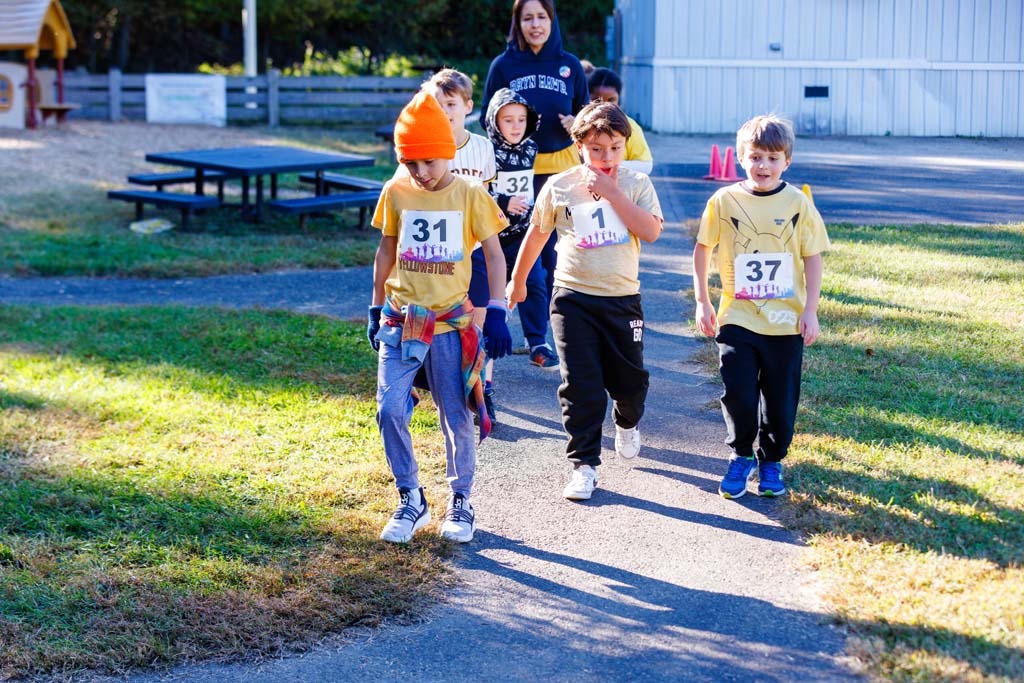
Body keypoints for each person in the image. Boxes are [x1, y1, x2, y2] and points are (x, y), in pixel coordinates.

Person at [367, 91, 512, 544]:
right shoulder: (396, 191)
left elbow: (494, 255)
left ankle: (462, 499)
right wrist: (375, 307)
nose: (421, 172)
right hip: (401, 321)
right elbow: (386, 250)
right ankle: (410, 496)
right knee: (389, 409)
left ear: (447, 152)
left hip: (451, 324)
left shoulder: (470, 195)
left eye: (429, 162)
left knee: (456, 414)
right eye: (411, 163)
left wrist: (499, 310)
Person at [507, 101, 663, 501]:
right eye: (596, 149)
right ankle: (584, 465)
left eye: (613, 147)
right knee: (579, 383)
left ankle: (626, 423)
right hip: (572, 296)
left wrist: (611, 193)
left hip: (621, 298)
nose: (605, 157)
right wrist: (518, 281)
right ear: (580, 147)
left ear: (625, 146)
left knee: (628, 384)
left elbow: (650, 232)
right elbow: (538, 234)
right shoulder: (560, 186)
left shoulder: (635, 185)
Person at [692, 114, 830, 499]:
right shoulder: (724, 200)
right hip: (737, 316)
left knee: (781, 399)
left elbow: (813, 257)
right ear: (740, 158)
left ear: (787, 161)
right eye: (755, 157)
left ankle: (771, 461)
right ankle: (740, 456)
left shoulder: (798, 203)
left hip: (786, 322)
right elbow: (703, 249)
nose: (763, 166)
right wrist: (703, 301)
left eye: (772, 158)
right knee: (737, 391)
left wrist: (811, 309)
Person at [481, 0, 590, 313]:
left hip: (563, 167)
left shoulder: (568, 64)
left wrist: (576, 123)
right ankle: (521, 323)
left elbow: (586, 112)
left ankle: (559, 316)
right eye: (527, 18)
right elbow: (486, 118)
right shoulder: (503, 65)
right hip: (518, 173)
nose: (535, 24)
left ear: (552, 20)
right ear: (518, 23)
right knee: (525, 252)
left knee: (560, 248)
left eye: (542, 16)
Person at [467, 88, 552, 423]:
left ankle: (537, 342)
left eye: (521, 120)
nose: (515, 126)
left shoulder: (531, 147)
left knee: (535, 281)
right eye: (508, 120)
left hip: (522, 232)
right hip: (491, 237)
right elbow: (479, 189)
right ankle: (482, 377)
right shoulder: (487, 150)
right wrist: (503, 202)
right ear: (493, 120)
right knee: (490, 303)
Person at [396, 68, 496, 184]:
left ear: (468, 107)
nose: (443, 111)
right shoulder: (421, 146)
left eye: (451, 104)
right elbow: (398, 188)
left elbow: (484, 194)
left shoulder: (484, 146)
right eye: (436, 105)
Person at [587, 67, 654, 175]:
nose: (605, 106)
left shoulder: (629, 126)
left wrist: (611, 165)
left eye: (611, 100)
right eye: (597, 100)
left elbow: (646, 165)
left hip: (621, 188)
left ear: (619, 98)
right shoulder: (580, 126)